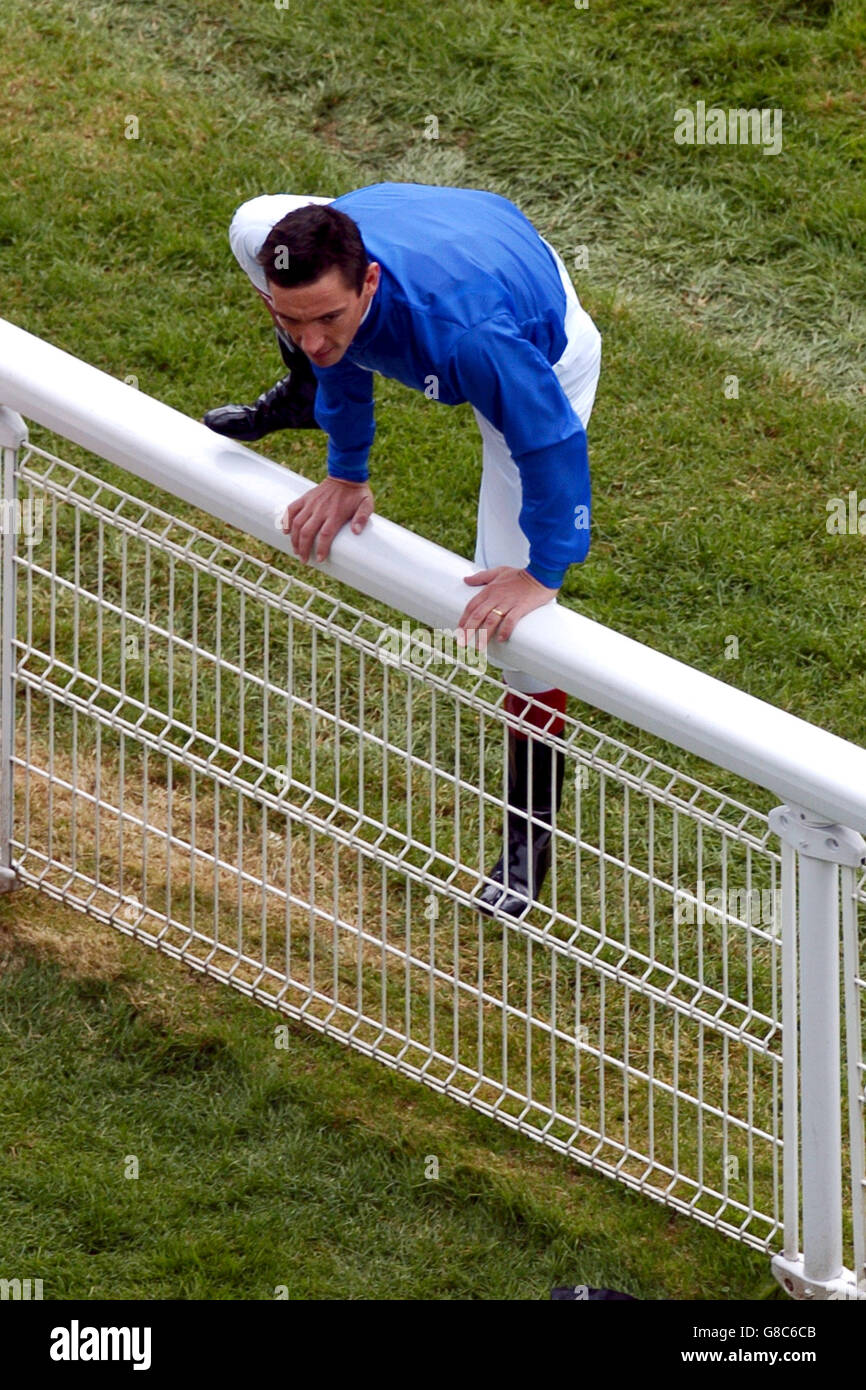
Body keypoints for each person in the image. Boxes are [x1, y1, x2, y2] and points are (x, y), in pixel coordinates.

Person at [204, 182, 602, 918]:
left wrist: (543, 571)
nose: (314, 340)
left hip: (526, 324)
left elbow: (551, 444)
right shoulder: (292, 260)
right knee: (248, 219)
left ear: (371, 279)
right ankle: (302, 398)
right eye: (292, 322)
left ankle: (529, 841)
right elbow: (323, 332)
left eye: (328, 318)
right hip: (453, 232)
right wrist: (345, 470)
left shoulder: (475, 341)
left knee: (520, 640)